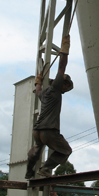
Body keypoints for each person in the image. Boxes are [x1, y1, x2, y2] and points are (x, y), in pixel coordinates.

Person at [26, 35, 73, 179]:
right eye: (66, 87)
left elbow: (38, 90)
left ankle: (29, 171)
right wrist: (65, 49)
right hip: (49, 130)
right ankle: (45, 169)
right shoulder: (55, 88)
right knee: (65, 151)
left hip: (37, 129)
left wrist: (37, 81)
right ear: (62, 84)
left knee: (36, 151)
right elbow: (61, 67)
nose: (66, 90)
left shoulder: (44, 93)